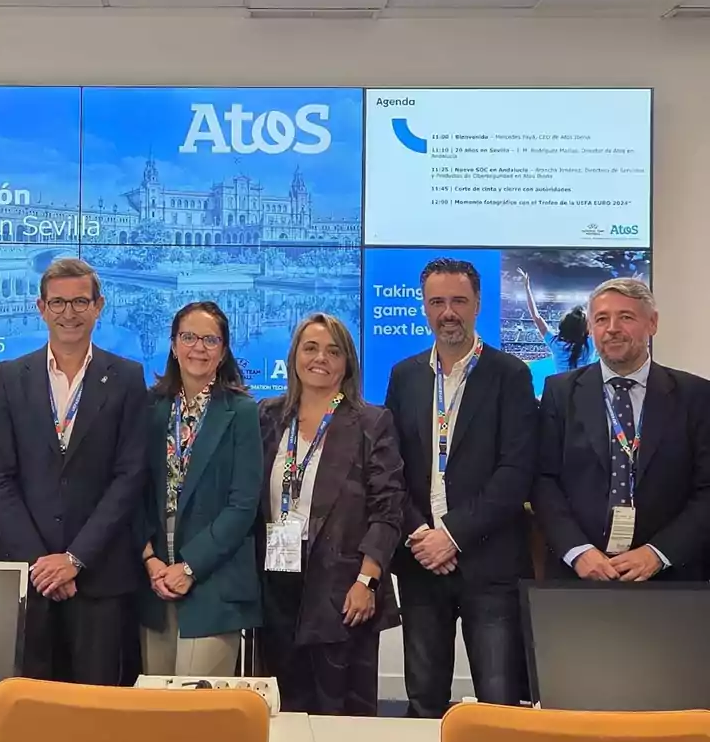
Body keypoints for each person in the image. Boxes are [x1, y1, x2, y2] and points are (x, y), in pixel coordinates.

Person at [383, 258, 536, 718]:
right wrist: (419, 533)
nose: (448, 312)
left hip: (489, 566)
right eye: (437, 302)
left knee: (498, 701)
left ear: (477, 306)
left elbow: (515, 473)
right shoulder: (405, 375)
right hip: (420, 563)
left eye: (458, 301)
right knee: (423, 698)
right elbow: (392, 467)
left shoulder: (511, 375)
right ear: (424, 308)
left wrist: (449, 535)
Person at [0, 258, 147, 685]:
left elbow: (129, 478)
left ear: (99, 306)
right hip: (29, 577)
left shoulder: (128, 377)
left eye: (80, 302)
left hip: (99, 578)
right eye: (57, 303)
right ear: (40, 307)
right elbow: (0, 478)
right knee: (30, 717)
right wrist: (43, 564)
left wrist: (75, 559)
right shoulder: (9, 376)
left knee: (99, 719)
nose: (68, 313)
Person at [256, 313, 404, 715]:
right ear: (294, 357)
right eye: (311, 348)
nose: (320, 358)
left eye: (332, 351)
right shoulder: (267, 417)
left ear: (347, 363)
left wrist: (367, 581)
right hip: (277, 588)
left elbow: (388, 507)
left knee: (340, 716)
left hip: (343, 592)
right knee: (283, 712)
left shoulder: (371, 422)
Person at [534, 278, 710, 582]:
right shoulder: (559, 392)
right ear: (591, 328)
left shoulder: (695, 396)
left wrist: (659, 552)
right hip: (580, 574)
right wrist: (577, 550)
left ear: (652, 323)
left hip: (670, 576)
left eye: (625, 317)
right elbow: (542, 480)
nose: (612, 328)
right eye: (601, 319)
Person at [137, 302, 262, 677]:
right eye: (188, 337)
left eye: (210, 339)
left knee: (195, 715)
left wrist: (190, 567)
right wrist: (150, 561)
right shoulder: (150, 407)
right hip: (154, 580)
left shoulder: (241, 411)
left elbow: (243, 505)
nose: (198, 347)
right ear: (174, 345)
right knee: (153, 710)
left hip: (214, 579)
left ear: (223, 351)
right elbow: (132, 490)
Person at [518, 268, 596, 373]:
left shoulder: (555, 344)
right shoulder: (590, 344)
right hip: (586, 388)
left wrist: (527, 289)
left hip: (560, 388)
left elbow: (536, 317)